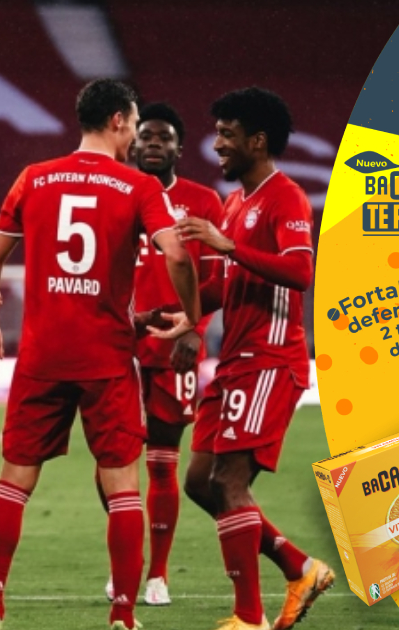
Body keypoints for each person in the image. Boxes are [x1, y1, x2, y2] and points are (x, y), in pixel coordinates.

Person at [0, 78, 200, 630]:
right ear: (119, 120)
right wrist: (191, 315)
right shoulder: (138, 185)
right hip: (106, 358)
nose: (135, 135)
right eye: (134, 123)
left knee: (14, 482)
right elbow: (176, 255)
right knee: (122, 486)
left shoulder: (34, 177)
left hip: (43, 356)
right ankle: (123, 613)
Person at [152, 87, 334, 630]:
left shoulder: (285, 198)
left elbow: (301, 272)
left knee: (230, 482)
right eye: (218, 134)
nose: (217, 145)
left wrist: (229, 246)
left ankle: (247, 617)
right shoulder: (234, 204)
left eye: (227, 135)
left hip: (270, 360)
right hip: (235, 361)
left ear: (257, 141)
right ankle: (299, 567)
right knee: (199, 481)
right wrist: (183, 313)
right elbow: (224, 285)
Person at [102, 102, 225, 606]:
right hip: (116, 345)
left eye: (164, 138)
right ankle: (125, 562)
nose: (153, 143)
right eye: (146, 136)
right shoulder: (112, 193)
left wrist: (193, 329)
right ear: (132, 143)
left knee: (161, 462)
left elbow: (217, 278)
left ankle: (157, 575)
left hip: (175, 348)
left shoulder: (203, 202)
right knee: (112, 461)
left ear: (179, 147)